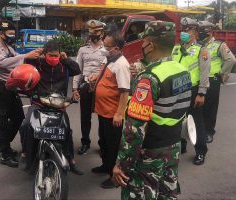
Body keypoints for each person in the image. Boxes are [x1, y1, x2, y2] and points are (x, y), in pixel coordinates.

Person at [113, 20, 192, 200]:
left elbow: (135, 129)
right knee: (166, 194)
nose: (141, 45)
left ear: (151, 45)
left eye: (143, 41)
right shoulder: (182, 70)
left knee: (141, 194)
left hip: (150, 152)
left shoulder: (149, 78)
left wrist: (122, 165)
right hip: (172, 148)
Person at [19, 40, 84, 175]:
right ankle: (27, 154)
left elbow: (76, 70)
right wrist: (31, 56)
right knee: (26, 126)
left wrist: (66, 60)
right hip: (39, 103)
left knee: (66, 131)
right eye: (50, 55)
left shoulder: (63, 65)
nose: (54, 58)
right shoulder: (39, 63)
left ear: (60, 55)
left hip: (58, 104)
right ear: (45, 54)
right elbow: (25, 66)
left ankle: (70, 160)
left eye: (56, 55)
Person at [0, 20, 39, 167]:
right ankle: (5, 153)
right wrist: (25, 55)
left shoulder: (9, 48)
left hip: (11, 87)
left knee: (18, 119)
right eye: (9, 33)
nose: (12, 35)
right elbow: (4, 63)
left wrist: (32, 57)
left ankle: (3, 144)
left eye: (13, 33)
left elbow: (19, 61)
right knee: (1, 121)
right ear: (0, 34)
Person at [90, 31, 131, 188]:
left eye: (107, 47)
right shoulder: (110, 59)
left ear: (118, 48)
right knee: (104, 142)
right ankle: (106, 166)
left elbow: (124, 91)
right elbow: (105, 78)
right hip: (103, 111)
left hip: (113, 114)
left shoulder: (121, 64)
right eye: (104, 45)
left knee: (113, 146)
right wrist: (95, 78)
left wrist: (119, 114)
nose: (104, 49)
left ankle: (114, 177)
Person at [172, 17, 211, 165]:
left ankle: (201, 151)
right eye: (183, 30)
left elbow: (204, 72)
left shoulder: (202, 49)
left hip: (193, 91)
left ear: (195, 32)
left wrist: (201, 93)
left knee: (197, 122)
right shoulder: (176, 48)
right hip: (176, 90)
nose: (184, 32)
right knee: (178, 119)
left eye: (187, 30)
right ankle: (181, 145)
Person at [198, 21, 236, 143]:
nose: (201, 33)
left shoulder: (219, 45)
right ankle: (198, 129)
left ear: (210, 31)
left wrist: (221, 74)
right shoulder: (198, 45)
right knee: (198, 108)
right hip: (198, 79)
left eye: (204, 31)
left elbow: (231, 60)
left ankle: (209, 131)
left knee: (210, 108)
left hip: (212, 80)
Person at [72, 19, 106, 155]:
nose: (92, 34)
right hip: (85, 86)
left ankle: (102, 143)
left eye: (96, 31)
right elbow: (77, 70)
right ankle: (85, 142)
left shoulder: (106, 50)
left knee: (102, 116)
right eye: (90, 31)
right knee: (85, 116)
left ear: (102, 33)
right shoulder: (82, 50)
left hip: (101, 88)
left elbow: (107, 69)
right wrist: (75, 88)